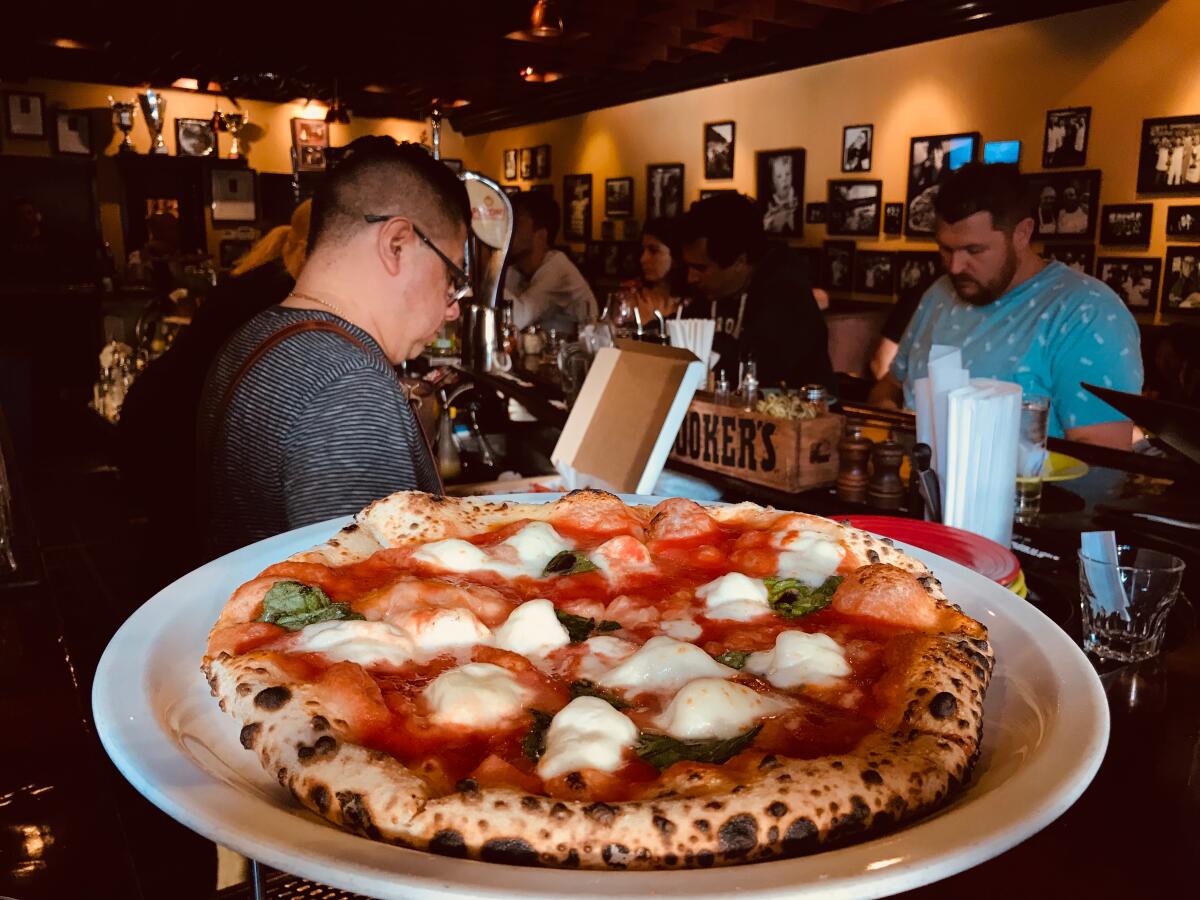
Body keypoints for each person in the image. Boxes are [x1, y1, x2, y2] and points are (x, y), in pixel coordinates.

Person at [197, 137, 461, 556]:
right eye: (452, 279)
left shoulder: (259, 333)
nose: (452, 311)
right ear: (397, 244)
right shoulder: (350, 385)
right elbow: (378, 599)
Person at [869, 162, 1142, 449]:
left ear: (1022, 234)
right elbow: (890, 386)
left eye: (974, 250)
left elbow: (1102, 463)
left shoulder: (1087, 312)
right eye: (945, 249)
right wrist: (891, 417)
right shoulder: (939, 294)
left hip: (1029, 494)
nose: (955, 266)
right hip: (914, 486)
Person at [118, 200, 313, 585]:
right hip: (172, 420)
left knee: (171, 537)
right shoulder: (285, 294)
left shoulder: (258, 277)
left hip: (159, 406)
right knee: (177, 541)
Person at [679, 192, 833, 390]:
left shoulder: (786, 295)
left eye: (700, 268)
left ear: (739, 262)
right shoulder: (710, 292)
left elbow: (763, 368)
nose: (690, 277)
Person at [504, 190, 597, 333]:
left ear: (541, 235)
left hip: (588, 353)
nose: (506, 229)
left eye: (516, 221)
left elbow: (517, 319)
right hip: (549, 353)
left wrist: (488, 264)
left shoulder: (558, 268)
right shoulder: (515, 271)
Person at [622, 217, 688, 332]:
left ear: (676, 256)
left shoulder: (693, 303)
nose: (643, 259)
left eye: (653, 251)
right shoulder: (630, 295)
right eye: (643, 250)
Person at [763, 155, 799, 233]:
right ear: (773, 181)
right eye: (779, 176)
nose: (784, 180)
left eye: (788, 174)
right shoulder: (769, 202)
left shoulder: (796, 199)